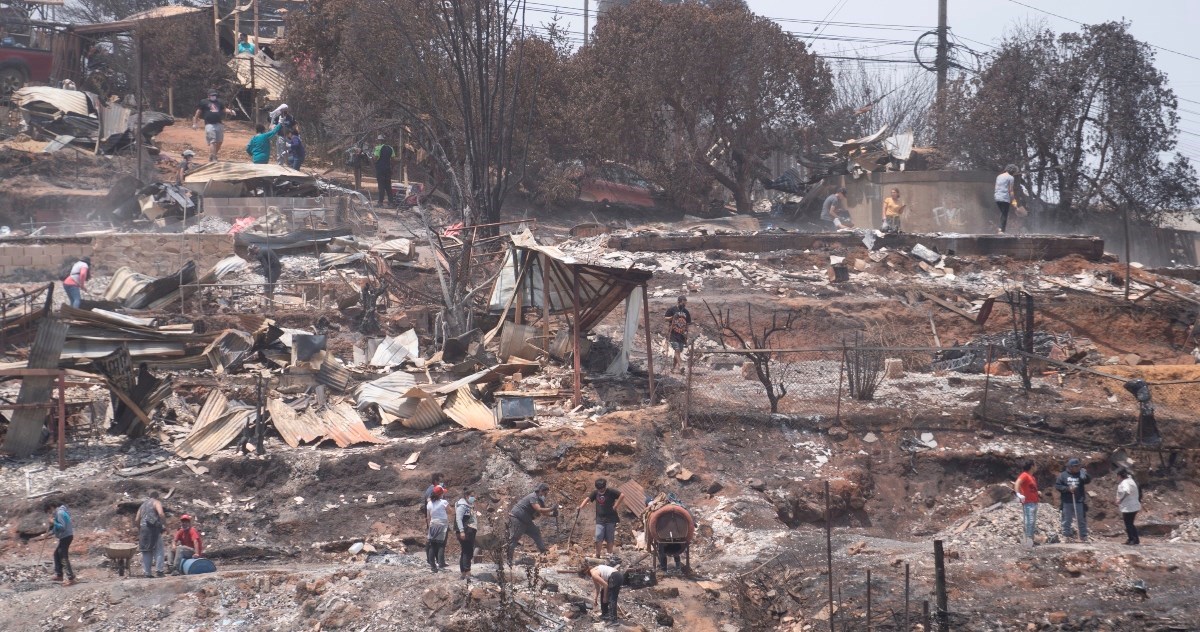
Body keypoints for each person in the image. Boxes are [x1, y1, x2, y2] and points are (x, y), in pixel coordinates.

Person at [507, 482, 557, 564]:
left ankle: (543, 552)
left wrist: (552, 514)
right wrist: (551, 508)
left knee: (536, 532)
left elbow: (544, 512)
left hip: (526, 521)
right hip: (517, 519)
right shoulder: (533, 497)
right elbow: (539, 509)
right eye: (545, 493)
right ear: (540, 491)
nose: (545, 495)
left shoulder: (540, 500)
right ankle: (509, 561)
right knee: (514, 539)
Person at [578, 478, 623, 557]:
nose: (601, 490)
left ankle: (609, 554)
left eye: (602, 489)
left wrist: (616, 505)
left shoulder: (610, 492)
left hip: (611, 519)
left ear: (605, 487)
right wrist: (580, 507)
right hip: (600, 519)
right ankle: (597, 554)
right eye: (599, 489)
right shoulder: (595, 493)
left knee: (609, 538)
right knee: (598, 536)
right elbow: (587, 499)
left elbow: (622, 495)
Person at [1054, 458, 1091, 542]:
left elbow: (1088, 481)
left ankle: (1083, 536)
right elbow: (1058, 486)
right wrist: (1068, 489)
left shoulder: (1080, 474)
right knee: (1067, 519)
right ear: (1070, 467)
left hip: (1079, 500)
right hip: (1067, 501)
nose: (1077, 468)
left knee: (1081, 519)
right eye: (1075, 466)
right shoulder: (1063, 475)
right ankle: (1066, 536)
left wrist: (1085, 475)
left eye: (1078, 466)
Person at [193, 90, 233, 162]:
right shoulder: (203, 102)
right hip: (209, 124)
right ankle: (214, 158)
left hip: (219, 123)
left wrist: (230, 111)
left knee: (220, 141)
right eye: (212, 95)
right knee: (213, 141)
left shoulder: (219, 102)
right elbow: (198, 112)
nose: (214, 97)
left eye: (214, 95)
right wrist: (194, 122)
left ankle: (213, 155)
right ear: (208, 96)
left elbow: (224, 109)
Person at [43, 500, 75, 586]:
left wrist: (53, 522)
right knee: (56, 554)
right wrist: (50, 533)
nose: (50, 513)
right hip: (64, 536)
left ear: (51, 507)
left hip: (66, 536)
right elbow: (58, 528)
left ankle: (71, 578)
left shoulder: (60, 513)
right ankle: (59, 574)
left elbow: (62, 527)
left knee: (63, 556)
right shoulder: (59, 513)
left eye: (49, 511)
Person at [136, 490, 166, 578]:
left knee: (146, 551)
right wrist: (164, 524)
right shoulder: (156, 502)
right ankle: (159, 571)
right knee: (159, 549)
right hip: (154, 529)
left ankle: (147, 573)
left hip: (143, 529)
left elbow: (137, 519)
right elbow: (161, 513)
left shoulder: (142, 505)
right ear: (157, 497)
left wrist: (140, 529)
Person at [1013, 460, 1039, 546]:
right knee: (1029, 521)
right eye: (1035, 465)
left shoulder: (1032, 477)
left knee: (1032, 521)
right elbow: (1017, 483)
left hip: (1034, 502)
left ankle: (1030, 539)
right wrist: (1018, 494)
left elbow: (1031, 489)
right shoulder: (1024, 475)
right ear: (1032, 466)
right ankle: (1028, 539)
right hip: (1028, 502)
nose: (1036, 467)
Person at [454, 488, 478, 579]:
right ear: (466, 496)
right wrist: (462, 531)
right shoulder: (462, 505)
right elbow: (458, 519)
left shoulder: (468, 505)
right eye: (471, 496)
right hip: (466, 531)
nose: (473, 498)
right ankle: (467, 572)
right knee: (467, 552)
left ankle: (464, 573)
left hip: (469, 530)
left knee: (466, 551)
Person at [426, 486, 450, 572]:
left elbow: (428, 517)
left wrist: (429, 526)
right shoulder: (444, 502)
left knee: (432, 545)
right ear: (441, 494)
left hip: (433, 524)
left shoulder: (429, 504)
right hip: (442, 524)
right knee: (441, 545)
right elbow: (450, 511)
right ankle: (441, 564)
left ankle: (433, 566)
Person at [665, 296, 691, 374]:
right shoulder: (672, 309)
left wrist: (687, 332)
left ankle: (673, 368)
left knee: (678, 352)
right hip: (673, 333)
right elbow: (666, 318)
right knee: (677, 350)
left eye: (685, 304)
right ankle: (681, 365)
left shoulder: (686, 312)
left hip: (682, 334)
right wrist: (672, 317)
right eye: (683, 303)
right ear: (679, 302)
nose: (684, 305)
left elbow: (687, 323)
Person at [1116, 468, 1141, 545]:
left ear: (1120, 476)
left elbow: (1127, 491)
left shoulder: (1125, 483)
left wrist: (1120, 500)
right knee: (1130, 523)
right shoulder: (1131, 480)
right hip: (1134, 505)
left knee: (1128, 523)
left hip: (1129, 507)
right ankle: (1135, 539)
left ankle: (1132, 539)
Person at [994, 164, 1018, 234]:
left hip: (997, 196)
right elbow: (1011, 191)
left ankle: (1000, 229)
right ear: (1013, 171)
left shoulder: (999, 176)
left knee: (1002, 213)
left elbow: (996, 187)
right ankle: (1001, 230)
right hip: (1004, 197)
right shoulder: (1011, 178)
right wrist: (1014, 201)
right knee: (1004, 214)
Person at [373, 134, 396, 206]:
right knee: (388, 186)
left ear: (379, 140)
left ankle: (380, 202)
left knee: (381, 186)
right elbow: (393, 159)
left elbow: (375, 158)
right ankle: (391, 202)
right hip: (388, 169)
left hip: (380, 169)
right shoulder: (390, 148)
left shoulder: (378, 148)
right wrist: (391, 168)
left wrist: (372, 157)